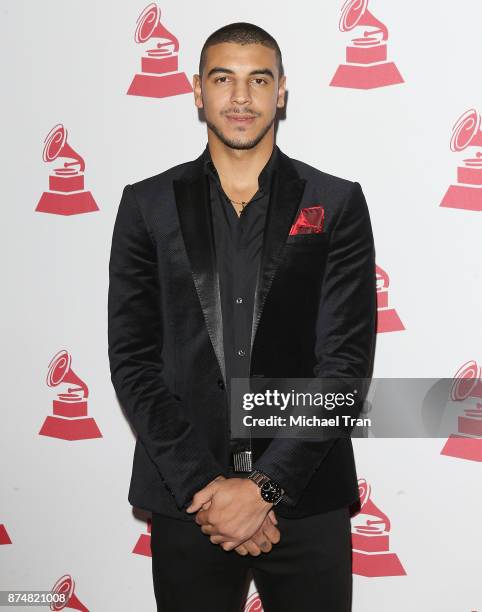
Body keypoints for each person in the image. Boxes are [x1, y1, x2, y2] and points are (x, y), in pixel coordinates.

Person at [108, 21, 377, 612]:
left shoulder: (335, 204)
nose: (240, 97)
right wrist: (211, 492)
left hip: (306, 498)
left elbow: (345, 368)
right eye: (222, 78)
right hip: (187, 500)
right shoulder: (146, 206)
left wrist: (266, 489)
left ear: (281, 92)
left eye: (259, 80)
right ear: (196, 91)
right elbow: (134, 364)